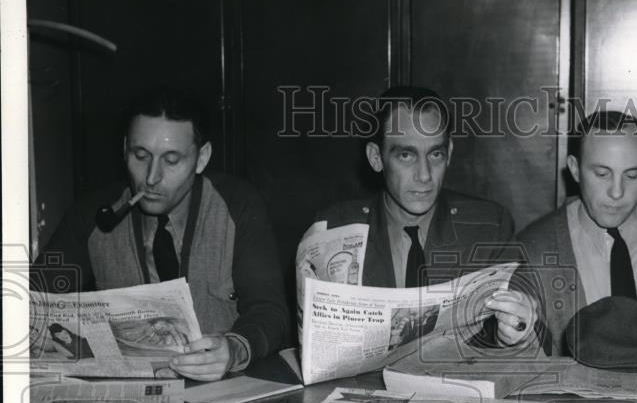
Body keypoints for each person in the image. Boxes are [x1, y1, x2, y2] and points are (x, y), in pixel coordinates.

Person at [33, 86, 289, 380]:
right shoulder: (90, 214)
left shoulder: (239, 206)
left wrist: (234, 349)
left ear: (202, 158)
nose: (151, 178)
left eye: (171, 160)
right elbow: (31, 303)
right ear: (125, 148)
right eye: (140, 155)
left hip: (223, 393)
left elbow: (271, 312)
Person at [311, 85, 536, 346]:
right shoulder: (336, 228)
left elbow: (520, 328)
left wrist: (516, 331)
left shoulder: (488, 226)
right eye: (406, 155)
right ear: (376, 158)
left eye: (435, 154)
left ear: (449, 153)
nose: (425, 175)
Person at [517, 110, 637, 355]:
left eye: (632, 175)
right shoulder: (533, 247)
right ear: (575, 169)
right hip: (573, 392)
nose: (617, 192)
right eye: (602, 174)